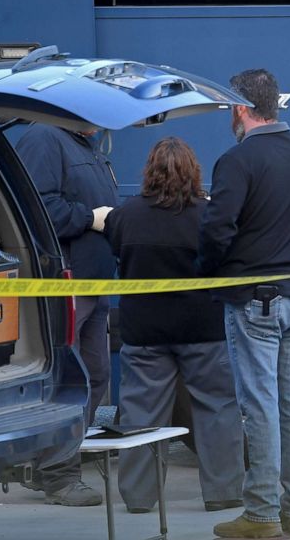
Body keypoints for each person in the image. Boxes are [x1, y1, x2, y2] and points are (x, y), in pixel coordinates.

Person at [197, 69, 290, 539]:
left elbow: (216, 228)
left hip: (254, 299)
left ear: (240, 108)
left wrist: (209, 271)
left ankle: (262, 514)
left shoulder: (237, 160)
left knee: (260, 406)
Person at [103, 137, 244, 514]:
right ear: (193, 172)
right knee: (217, 408)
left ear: (149, 172)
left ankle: (138, 497)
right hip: (203, 329)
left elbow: (116, 249)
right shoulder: (207, 216)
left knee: (141, 413)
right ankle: (224, 491)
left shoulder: (125, 215)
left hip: (144, 332)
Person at [15, 124, 117, 506]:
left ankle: (57, 462)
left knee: (95, 374)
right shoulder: (43, 138)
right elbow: (36, 207)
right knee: (71, 378)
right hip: (66, 282)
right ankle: (57, 473)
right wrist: (89, 217)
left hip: (93, 284)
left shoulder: (84, 145)